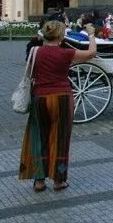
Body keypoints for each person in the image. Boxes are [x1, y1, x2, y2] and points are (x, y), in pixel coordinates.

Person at [19, 20, 97, 192]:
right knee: (60, 138)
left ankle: (39, 181)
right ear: (61, 37)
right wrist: (91, 34)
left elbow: (32, 68)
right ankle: (58, 180)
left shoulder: (35, 51)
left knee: (39, 137)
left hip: (40, 97)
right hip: (62, 97)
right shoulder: (66, 53)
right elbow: (91, 53)